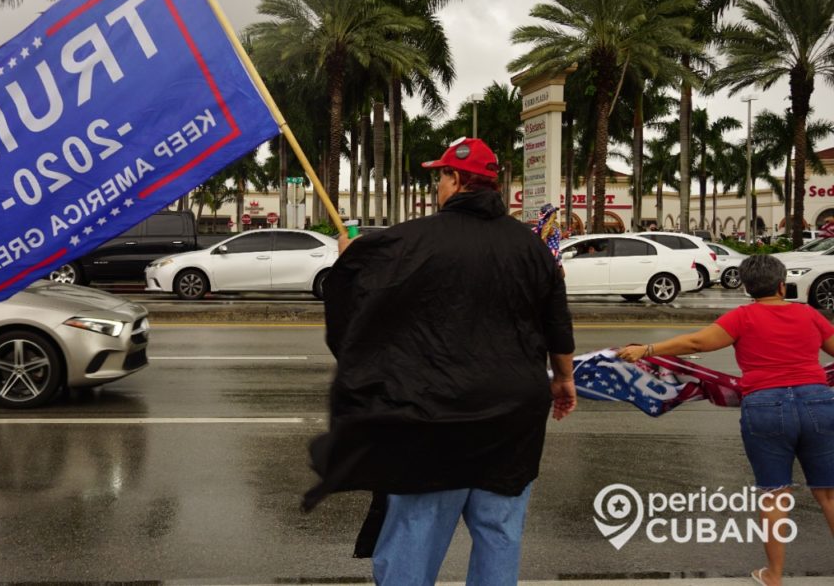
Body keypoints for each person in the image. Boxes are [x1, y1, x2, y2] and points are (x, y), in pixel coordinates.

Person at [303, 137, 576, 586]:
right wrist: (563, 380)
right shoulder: (531, 249)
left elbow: (359, 298)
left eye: (440, 177)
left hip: (433, 418)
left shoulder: (412, 240)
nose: (437, 186)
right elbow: (557, 325)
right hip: (512, 421)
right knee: (499, 533)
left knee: (415, 532)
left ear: (454, 180)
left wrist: (349, 260)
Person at [616, 254, 834, 586]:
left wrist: (647, 349)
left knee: (774, 495)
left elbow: (696, 342)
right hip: (819, 403)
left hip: (765, 406)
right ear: (782, 285)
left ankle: (773, 576)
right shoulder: (808, 314)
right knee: (829, 495)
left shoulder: (742, 317)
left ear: (747, 288)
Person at [533, 202, 563, 273]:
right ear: (551, 214)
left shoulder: (555, 225)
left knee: (561, 275)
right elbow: (542, 240)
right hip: (551, 254)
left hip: (555, 253)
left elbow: (556, 238)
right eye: (555, 212)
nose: (556, 213)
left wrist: (564, 235)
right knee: (557, 276)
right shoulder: (548, 226)